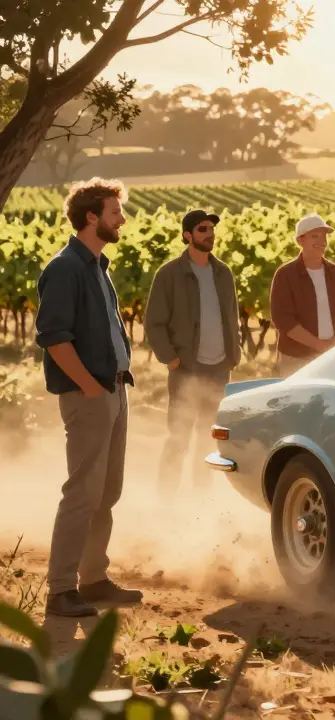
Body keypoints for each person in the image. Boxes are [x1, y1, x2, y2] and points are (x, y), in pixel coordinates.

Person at [34, 178, 143, 617]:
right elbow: (54, 337)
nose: (122, 219)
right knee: (82, 492)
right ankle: (61, 590)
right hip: (90, 394)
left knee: (107, 491)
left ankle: (93, 579)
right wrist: (90, 385)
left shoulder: (97, 265)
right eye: (115, 211)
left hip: (114, 389)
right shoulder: (65, 267)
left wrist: (111, 384)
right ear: (91, 217)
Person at [144, 209, 241, 494]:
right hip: (186, 371)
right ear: (187, 235)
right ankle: (166, 502)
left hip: (219, 370)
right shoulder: (169, 274)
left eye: (211, 228)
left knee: (209, 441)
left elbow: (232, 317)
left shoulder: (224, 273)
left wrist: (233, 357)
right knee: (178, 439)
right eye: (202, 229)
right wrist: (172, 361)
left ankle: (201, 502)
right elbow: (154, 323)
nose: (209, 233)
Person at [269, 213, 335, 375]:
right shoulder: (285, 275)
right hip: (296, 359)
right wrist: (321, 346)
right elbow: (284, 320)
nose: (322, 242)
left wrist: (333, 347)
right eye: (314, 236)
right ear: (300, 241)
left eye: (324, 237)